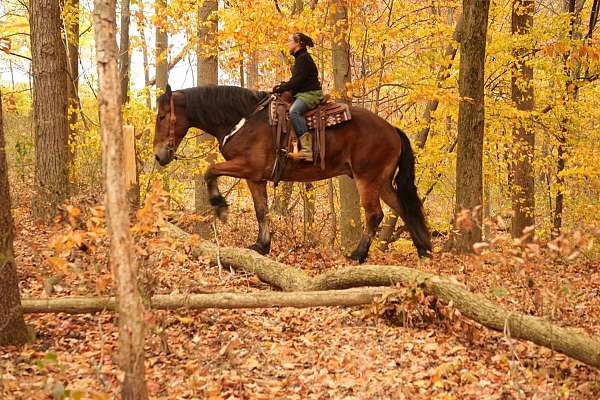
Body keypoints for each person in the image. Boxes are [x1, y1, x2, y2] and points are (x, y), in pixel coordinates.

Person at [272, 32, 323, 162]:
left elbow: (296, 82)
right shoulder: (300, 58)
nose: (288, 43)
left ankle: (307, 150)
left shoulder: (303, 59)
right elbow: (296, 80)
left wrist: (280, 88)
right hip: (303, 93)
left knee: (294, 111)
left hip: (311, 94)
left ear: (298, 43)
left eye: (290, 41)